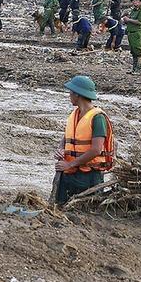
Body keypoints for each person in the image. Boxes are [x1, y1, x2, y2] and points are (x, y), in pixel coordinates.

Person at [54, 75, 114, 205]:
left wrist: (70, 164)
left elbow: (96, 150)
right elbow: (66, 138)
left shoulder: (98, 118)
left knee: (85, 210)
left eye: (70, 92)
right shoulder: (74, 115)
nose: (69, 95)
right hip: (69, 174)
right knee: (59, 207)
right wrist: (60, 149)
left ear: (78, 95)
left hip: (89, 177)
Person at [122, 0, 141, 74]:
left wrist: (128, 20)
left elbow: (140, 22)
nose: (134, 2)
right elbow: (129, 20)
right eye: (133, 0)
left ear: (140, 2)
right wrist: (125, 19)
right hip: (131, 33)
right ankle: (134, 69)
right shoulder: (133, 10)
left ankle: (138, 69)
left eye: (136, 0)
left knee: (139, 52)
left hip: (137, 33)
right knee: (133, 52)